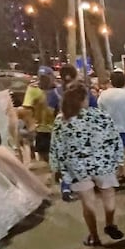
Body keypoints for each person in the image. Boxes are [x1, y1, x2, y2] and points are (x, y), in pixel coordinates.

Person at [50, 83, 125, 247]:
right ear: (84, 99)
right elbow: (114, 139)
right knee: (108, 194)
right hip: (103, 163)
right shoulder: (101, 115)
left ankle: (94, 236)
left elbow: (56, 146)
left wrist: (56, 168)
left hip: (77, 167)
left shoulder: (61, 120)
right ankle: (110, 224)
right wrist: (120, 161)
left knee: (87, 202)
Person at [50, 65, 98, 201]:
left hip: (62, 128)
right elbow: (94, 108)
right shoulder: (82, 91)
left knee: (65, 159)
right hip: (83, 130)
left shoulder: (56, 92)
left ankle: (66, 187)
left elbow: (50, 110)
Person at [22, 66, 57, 163]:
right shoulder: (33, 89)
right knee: (43, 155)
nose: (43, 80)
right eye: (41, 78)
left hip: (55, 128)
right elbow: (27, 108)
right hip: (40, 129)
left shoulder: (57, 90)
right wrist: (31, 125)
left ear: (51, 77)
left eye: (45, 77)